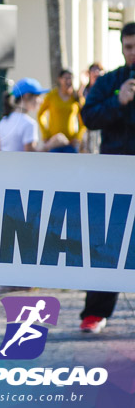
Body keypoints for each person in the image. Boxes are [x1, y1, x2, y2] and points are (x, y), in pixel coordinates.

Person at [76, 22, 135, 333]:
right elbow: (88, 117)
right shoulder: (111, 81)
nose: (132, 53)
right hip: (114, 174)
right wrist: (118, 101)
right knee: (107, 242)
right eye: (128, 47)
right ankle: (95, 312)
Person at [37, 68, 85, 153]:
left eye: (70, 78)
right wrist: (45, 134)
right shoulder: (51, 95)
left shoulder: (76, 97)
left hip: (70, 143)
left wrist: (78, 137)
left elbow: (84, 119)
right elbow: (40, 114)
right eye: (66, 78)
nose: (68, 81)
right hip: (54, 142)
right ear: (60, 79)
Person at [0, 78, 48, 152]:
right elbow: (31, 156)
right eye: (38, 96)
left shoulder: (3, 122)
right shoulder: (29, 124)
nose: (41, 101)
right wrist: (50, 145)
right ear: (26, 96)